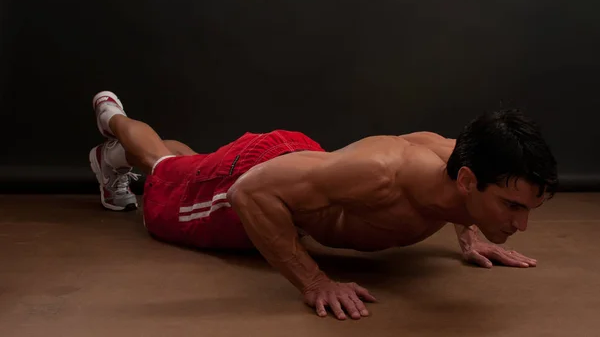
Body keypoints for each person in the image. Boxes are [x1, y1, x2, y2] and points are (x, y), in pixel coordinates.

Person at [88, 91, 558, 321]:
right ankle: (113, 118)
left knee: (191, 166)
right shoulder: (382, 174)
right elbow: (248, 193)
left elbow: (458, 170)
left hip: (305, 167)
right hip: (255, 181)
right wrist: (314, 282)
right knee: (163, 169)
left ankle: (115, 157)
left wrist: (473, 228)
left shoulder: (460, 164)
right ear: (471, 183)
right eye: (512, 207)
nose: (522, 224)